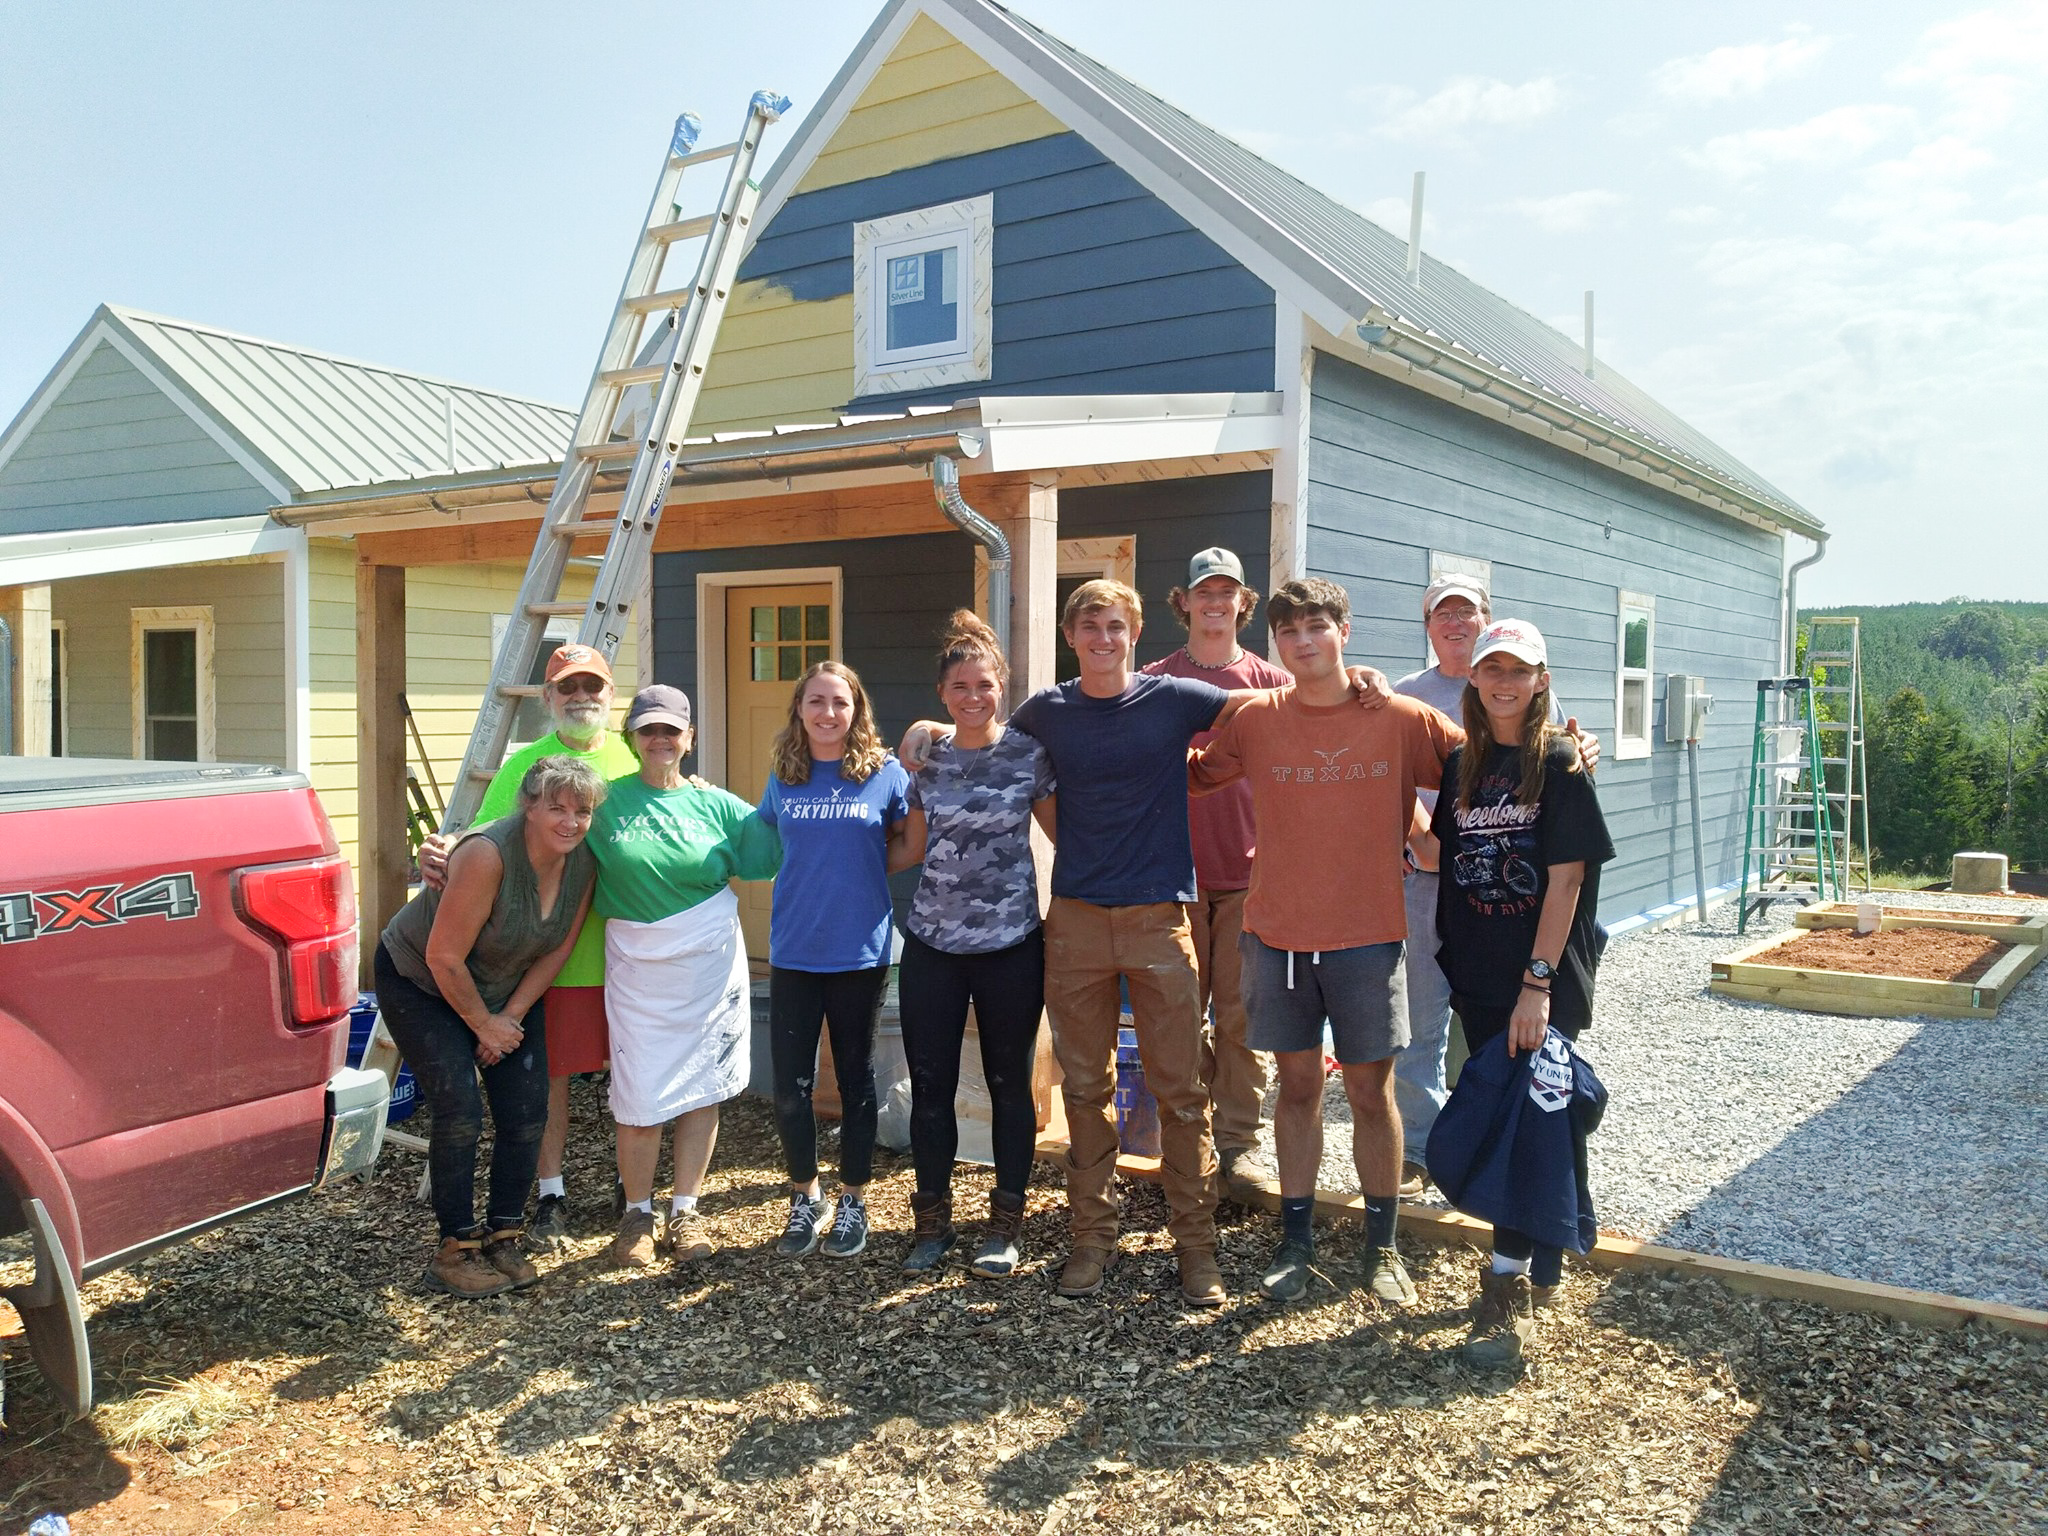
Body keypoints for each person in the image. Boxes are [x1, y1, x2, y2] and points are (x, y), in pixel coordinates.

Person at [904, 579, 1390, 1307]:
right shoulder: (1048, 712)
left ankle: (1196, 1248)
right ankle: (1090, 1239)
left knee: (1181, 1093)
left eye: (1117, 626)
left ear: (1135, 634)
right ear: (1072, 636)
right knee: (1088, 1092)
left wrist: (1356, 679)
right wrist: (923, 725)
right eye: (1091, 626)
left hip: (1160, 919)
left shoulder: (1173, 698)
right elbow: (981, 729)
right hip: (1073, 922)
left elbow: (1276, 707)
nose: (1105, 638)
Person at [1190, 578, 1459, 1306]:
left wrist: (1568, 751)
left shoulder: (1402, 718)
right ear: (1275, 642)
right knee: (1299, 1087)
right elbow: (1187, 775)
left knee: (1372, 1093)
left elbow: (1491, 768)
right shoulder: (1255, 720)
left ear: (1345, 630)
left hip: (1370, 938)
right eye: (1289, 632)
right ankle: (1296, 1241)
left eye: (1317, 627)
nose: (1303, 642)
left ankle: (1381, 1248)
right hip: (1275, 936)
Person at [1428, 619, 1613, 1365]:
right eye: (1491, 667)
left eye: (1520, 669)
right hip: (1477, 971)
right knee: (1540, 1109)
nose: (1504, 681)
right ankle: (1553, 1254)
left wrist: (1536, 985)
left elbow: (1567, 878)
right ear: (1472, 677)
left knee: (1527, 1113)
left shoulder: (1560, 761)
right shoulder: (1460, 764)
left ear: (1541, 679)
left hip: (1538, 976)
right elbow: (1443, 849)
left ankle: (1505, 1284)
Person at [419, 643, 638, 1247]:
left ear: (610, 696)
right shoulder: (525, 768)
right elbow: (481, 837)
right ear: (547, 699)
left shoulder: (633, 755)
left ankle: (633, 1186)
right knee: (552, 1080)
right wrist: (442, 848)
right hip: (548, 957)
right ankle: (551, 1195)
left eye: (592, 687)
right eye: (567, 688)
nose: (581, 698)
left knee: (631, 1073)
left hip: (623, 946)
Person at [374, 756, 603, 1297]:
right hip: (422, 981)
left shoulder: (585, 861)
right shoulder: (486, 855)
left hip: (506, 991)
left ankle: (504, 1233)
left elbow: (559, 949)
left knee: (527, 1110)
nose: (569, 821)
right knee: (458, 1107)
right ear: (528, 807)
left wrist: (511, 1019)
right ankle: (455, 1246)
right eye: (556, 808)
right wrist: (482, 1024)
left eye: (582, 811)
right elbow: (444, 957)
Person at [1393, 578, 1584, 1198]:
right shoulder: (1403, 697)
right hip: (1424, 878)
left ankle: (1504, 1156)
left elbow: (1558, 785)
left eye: (1466, 610)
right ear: (1427, 626)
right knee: (1422, 1020)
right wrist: (1412, 831)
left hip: (1512, 900)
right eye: (1441, 612)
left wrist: (1580, 755)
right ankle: (1423, 1150)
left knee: (1505, 1031)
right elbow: (1385, 774)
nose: (1454, 620)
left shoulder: (1533, 707)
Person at [592, 685, 783, 1271]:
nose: (660, 740)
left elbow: (777, 847)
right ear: (631, 738)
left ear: (689, 739)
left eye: (671, 730)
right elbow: (530, 832)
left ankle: (687, 1208)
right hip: (637, 964)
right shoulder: (603, 802)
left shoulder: (719, 807)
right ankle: (637, 1214)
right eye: (648, 729)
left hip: (706, 960)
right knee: (639, 1093)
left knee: (702, 1085)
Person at [893, 611, 1057, 1279]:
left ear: (1002, 687)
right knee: (930, 1086)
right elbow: (910, 846)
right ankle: (931, 1223)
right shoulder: (926, 759)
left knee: (1007, 1084)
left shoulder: (1028, 755)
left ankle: (1005, 1223)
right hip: (932, 943)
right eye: (960, 687)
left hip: (1012, 943)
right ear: (943, 694)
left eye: (984, 685)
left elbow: (1063, 836)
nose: (972, 697)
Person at [1140, 548, 1289, 1184]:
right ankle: (1186, 1136)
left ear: (1241, 604)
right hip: (1172, 879)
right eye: (1205, 591)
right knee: (1175, 1018)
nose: (1216, 602)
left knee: (1240, 1018)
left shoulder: (1271, 684)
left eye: (1227, 592)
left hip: (1249, 878)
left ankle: (1239, 1143)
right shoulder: (1153, 680)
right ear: (1186, 602)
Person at [756, 661, 911, 1261]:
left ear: (856, 710)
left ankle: (852, 1198)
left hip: (859, 952)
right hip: (794, 950)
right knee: (792, 1088)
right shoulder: (785, 775)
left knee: (854, 1080)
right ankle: (805, 1195)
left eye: (839, 702)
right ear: (799, 709)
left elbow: (908, 841)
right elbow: (765, 840)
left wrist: (866, 873)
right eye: (816, 701)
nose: (827, 713)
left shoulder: (884, 773)